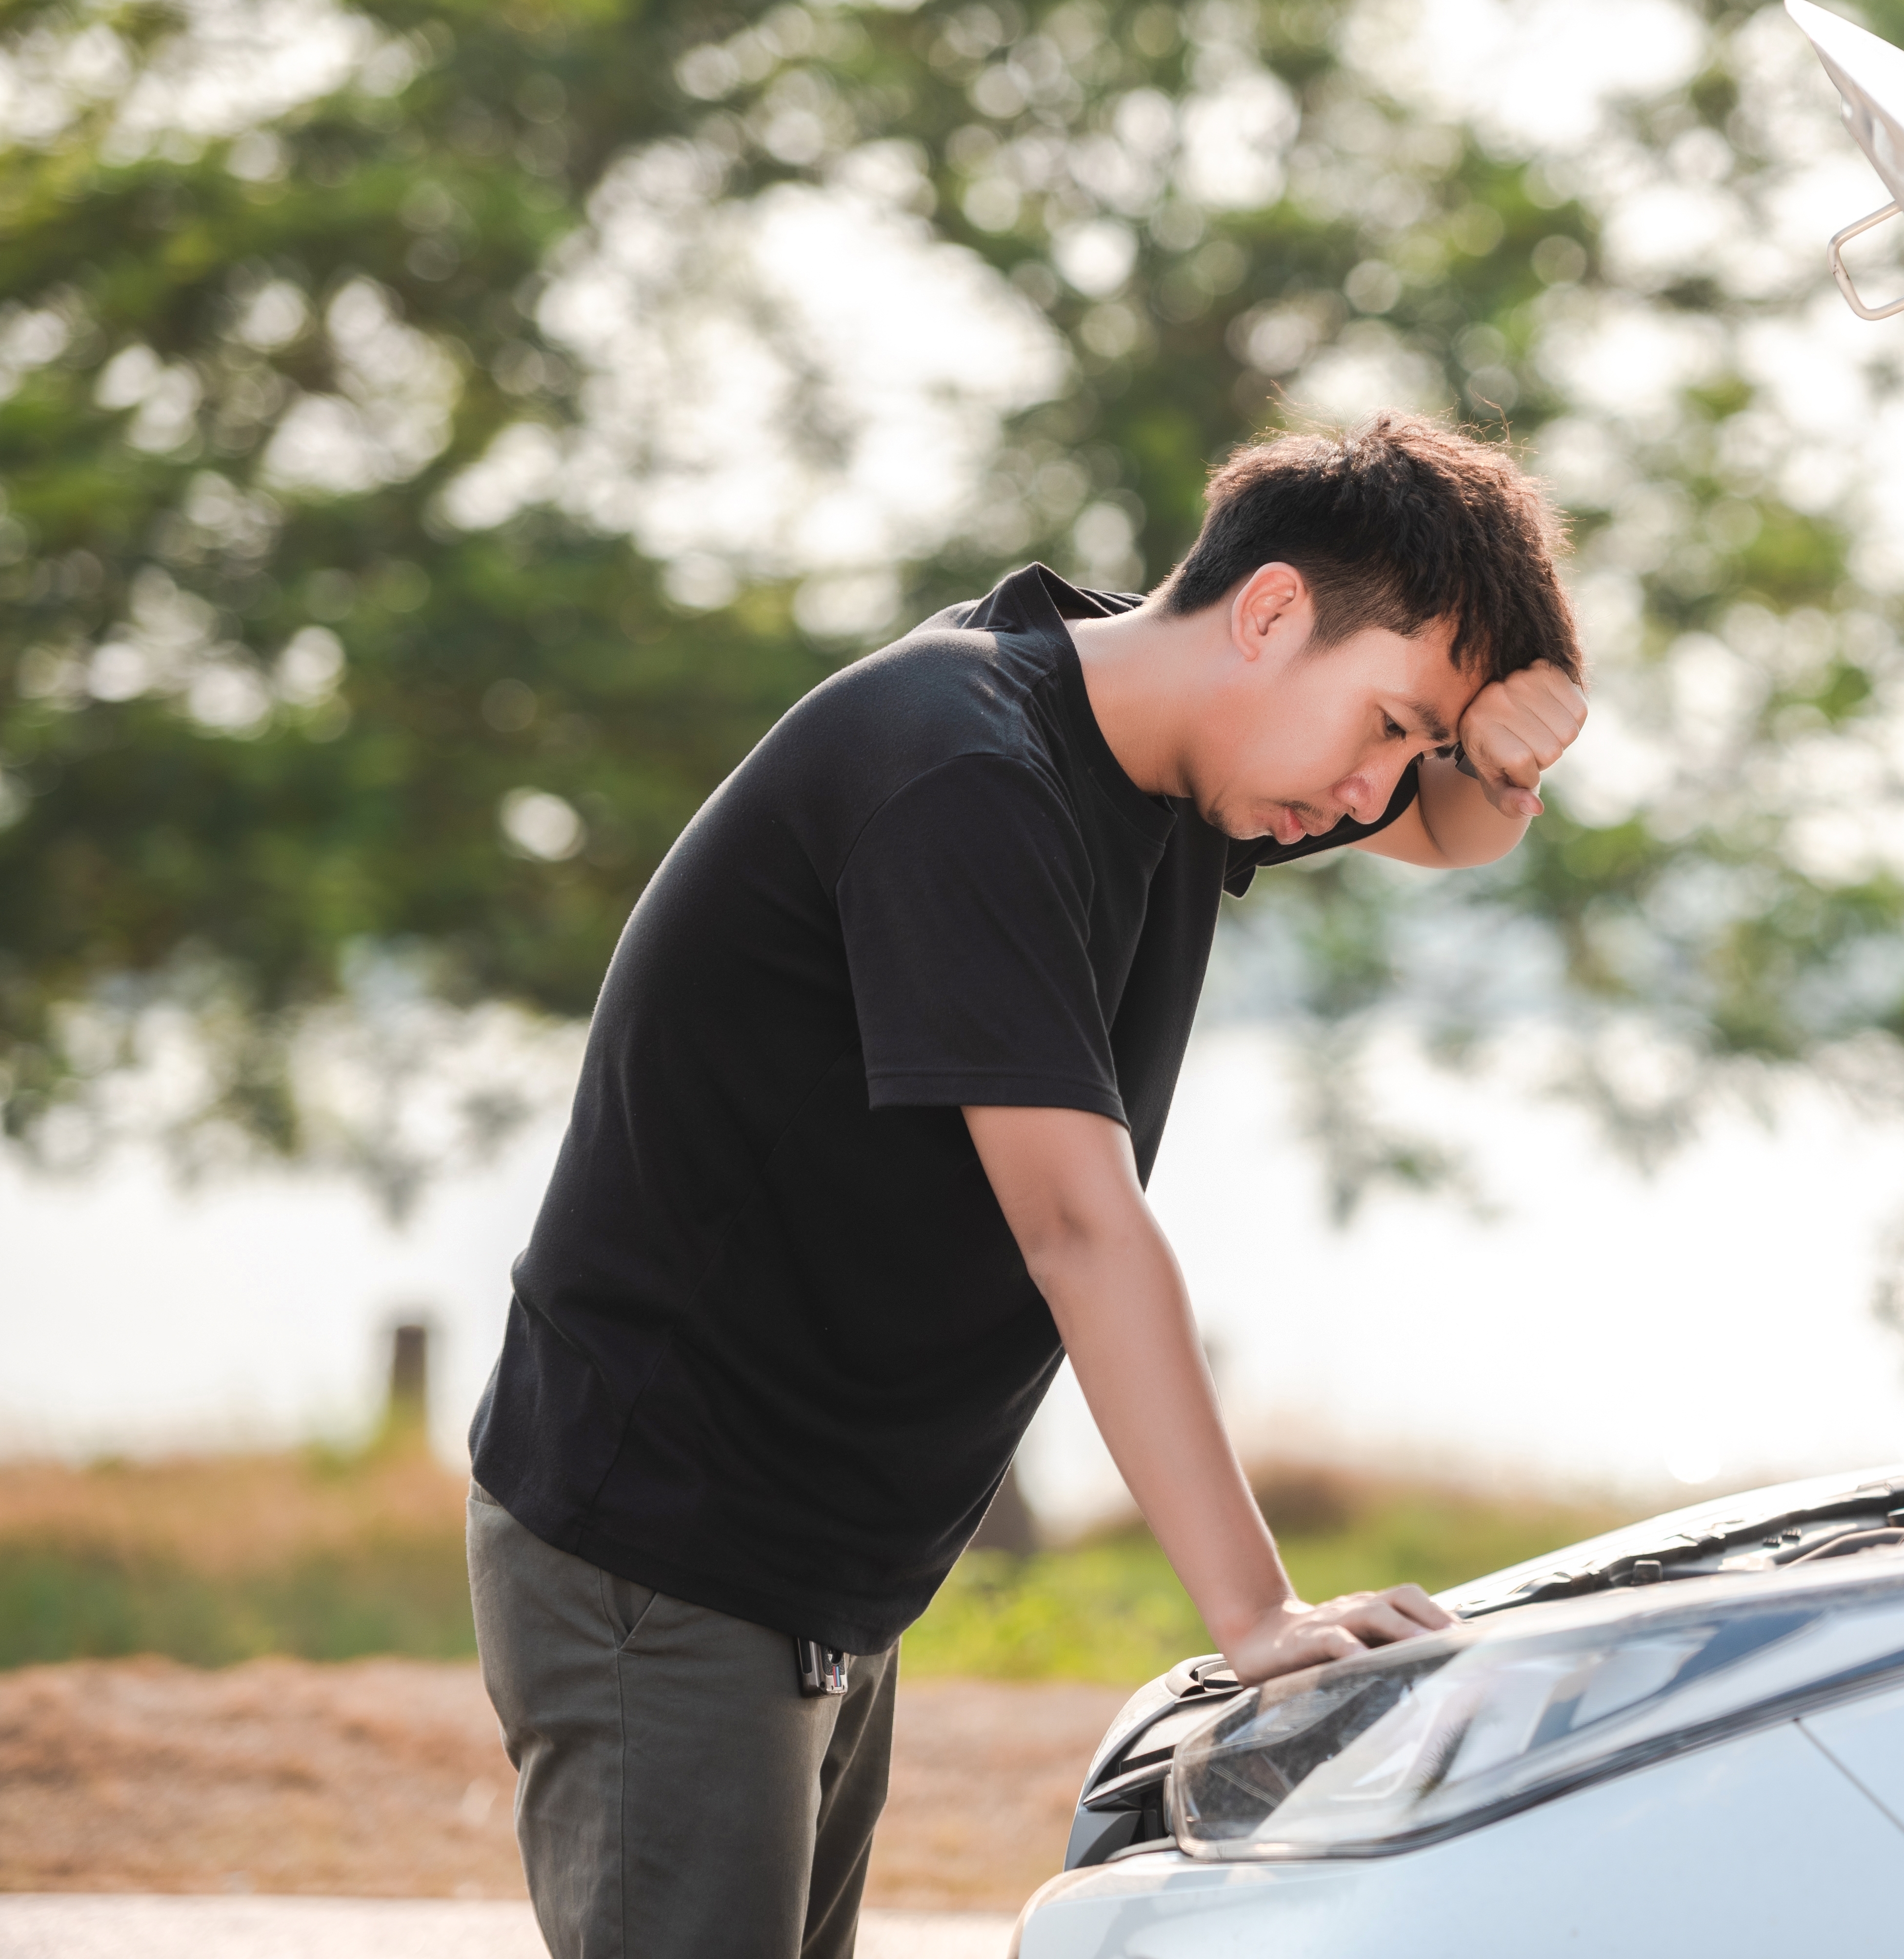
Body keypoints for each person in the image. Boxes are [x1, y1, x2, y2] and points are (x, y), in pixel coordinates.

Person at [461, 410, 1589, 1959]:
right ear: (1268, 614)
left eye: (1420, 748)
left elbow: (1451, 836)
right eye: (1392, 727)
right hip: (666, 1538)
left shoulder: (1167, 746)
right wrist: (1261, 1621)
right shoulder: (963, 774)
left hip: (814, 1562)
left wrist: (1505, 762)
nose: (1382, 790)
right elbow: (1078, 1226)